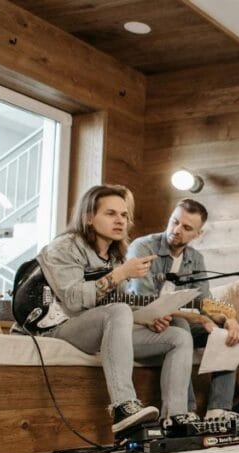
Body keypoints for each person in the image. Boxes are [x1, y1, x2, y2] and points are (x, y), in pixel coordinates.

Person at [35, 184, 194, 433]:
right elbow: (74, 299)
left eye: (124, 215)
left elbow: (116, 307)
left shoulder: (114, 256)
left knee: (179, 337)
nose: (120, 220)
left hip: (98, 328)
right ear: (88, 216)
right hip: (57, 327)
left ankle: (174, 419)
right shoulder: (65, 247)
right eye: (110, 214)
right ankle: (123, 405)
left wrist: (146, 319)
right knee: (118, 310)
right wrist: (121, 274)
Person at [126, 198, 239, 421]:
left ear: (197, 234)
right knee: (180, 323)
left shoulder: (195, 259)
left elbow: (205, 303)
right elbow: (145, 301)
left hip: (178, 323)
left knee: (228, 333)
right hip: (142, 322)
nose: (177, 230)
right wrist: (195, 318)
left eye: (187, 227)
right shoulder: (143, 247)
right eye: (174, 222)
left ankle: (218, 410)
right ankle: (186, 410)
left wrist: (230, 319)